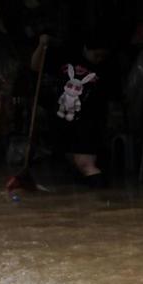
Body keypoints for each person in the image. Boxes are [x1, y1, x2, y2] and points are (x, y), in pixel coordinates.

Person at [52, 32, 115, 186]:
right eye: (96, 55)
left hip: (88, 123)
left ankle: (102, 195)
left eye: (103, 56)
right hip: (66, 120)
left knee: (85, 164)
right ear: (86, 49)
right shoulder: (69, 59)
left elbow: (111, 99)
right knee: (73, 161)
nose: (99, 59)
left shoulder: (106, 69)